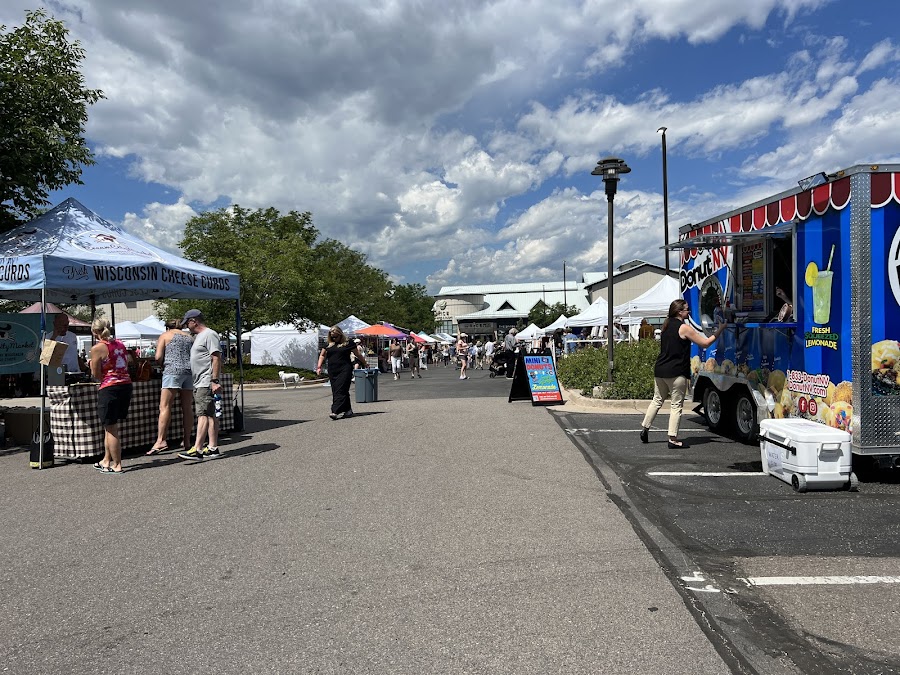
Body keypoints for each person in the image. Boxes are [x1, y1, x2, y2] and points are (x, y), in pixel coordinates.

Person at [640, 299, 726, 449]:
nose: (689, 312)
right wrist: (720, 329)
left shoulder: (666, 325)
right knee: (676, 406)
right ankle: (672, 439)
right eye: (687, 309)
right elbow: (705, 343)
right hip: (676, 372)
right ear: (680, 312)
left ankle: (645, 428)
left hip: (660, 369)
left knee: (657, 400)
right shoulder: (684, 328)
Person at [178, 310, 223, 460]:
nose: (186, 326)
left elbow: (216, 357)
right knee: (210, 414)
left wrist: (214, 380)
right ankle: (213, 447)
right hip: (200, 381)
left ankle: (197, 449)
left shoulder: (209, 334)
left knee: (203, 414)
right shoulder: (199, 336)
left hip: (206, 381)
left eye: (187, 323)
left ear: (194, 321)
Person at [89, 319, 133, 474]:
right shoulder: (120, 344)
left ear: (95, 332)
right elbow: (125, 364)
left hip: (110, 387)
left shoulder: (97, 348)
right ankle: (106, 460)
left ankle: (117, 464)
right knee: (109, 427)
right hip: (126, 385)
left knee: (111, 427)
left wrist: (91, 365)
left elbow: (96, 374)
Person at [148, 319, 194, 455]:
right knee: (187, 407)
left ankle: (161, 440)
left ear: (167, 327)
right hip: (189, 372)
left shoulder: (165, 335)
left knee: (165, 406)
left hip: (172, 371)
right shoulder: (189, 337)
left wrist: (162, 365)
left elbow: (158, 356)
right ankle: (187, 440)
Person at [315, 326, 368, 419]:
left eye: (336, 337)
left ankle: (335, 411)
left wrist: (365, 363)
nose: (334, 338)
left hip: (345, 369)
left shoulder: (348, 343)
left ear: (340, 335)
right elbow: (322, 355)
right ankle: (348, 410)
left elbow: (358, 354)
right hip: (332, 370)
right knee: (338, 390)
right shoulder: (328, 344)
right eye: (332, 337)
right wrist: (319, 367)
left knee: (340, 389)